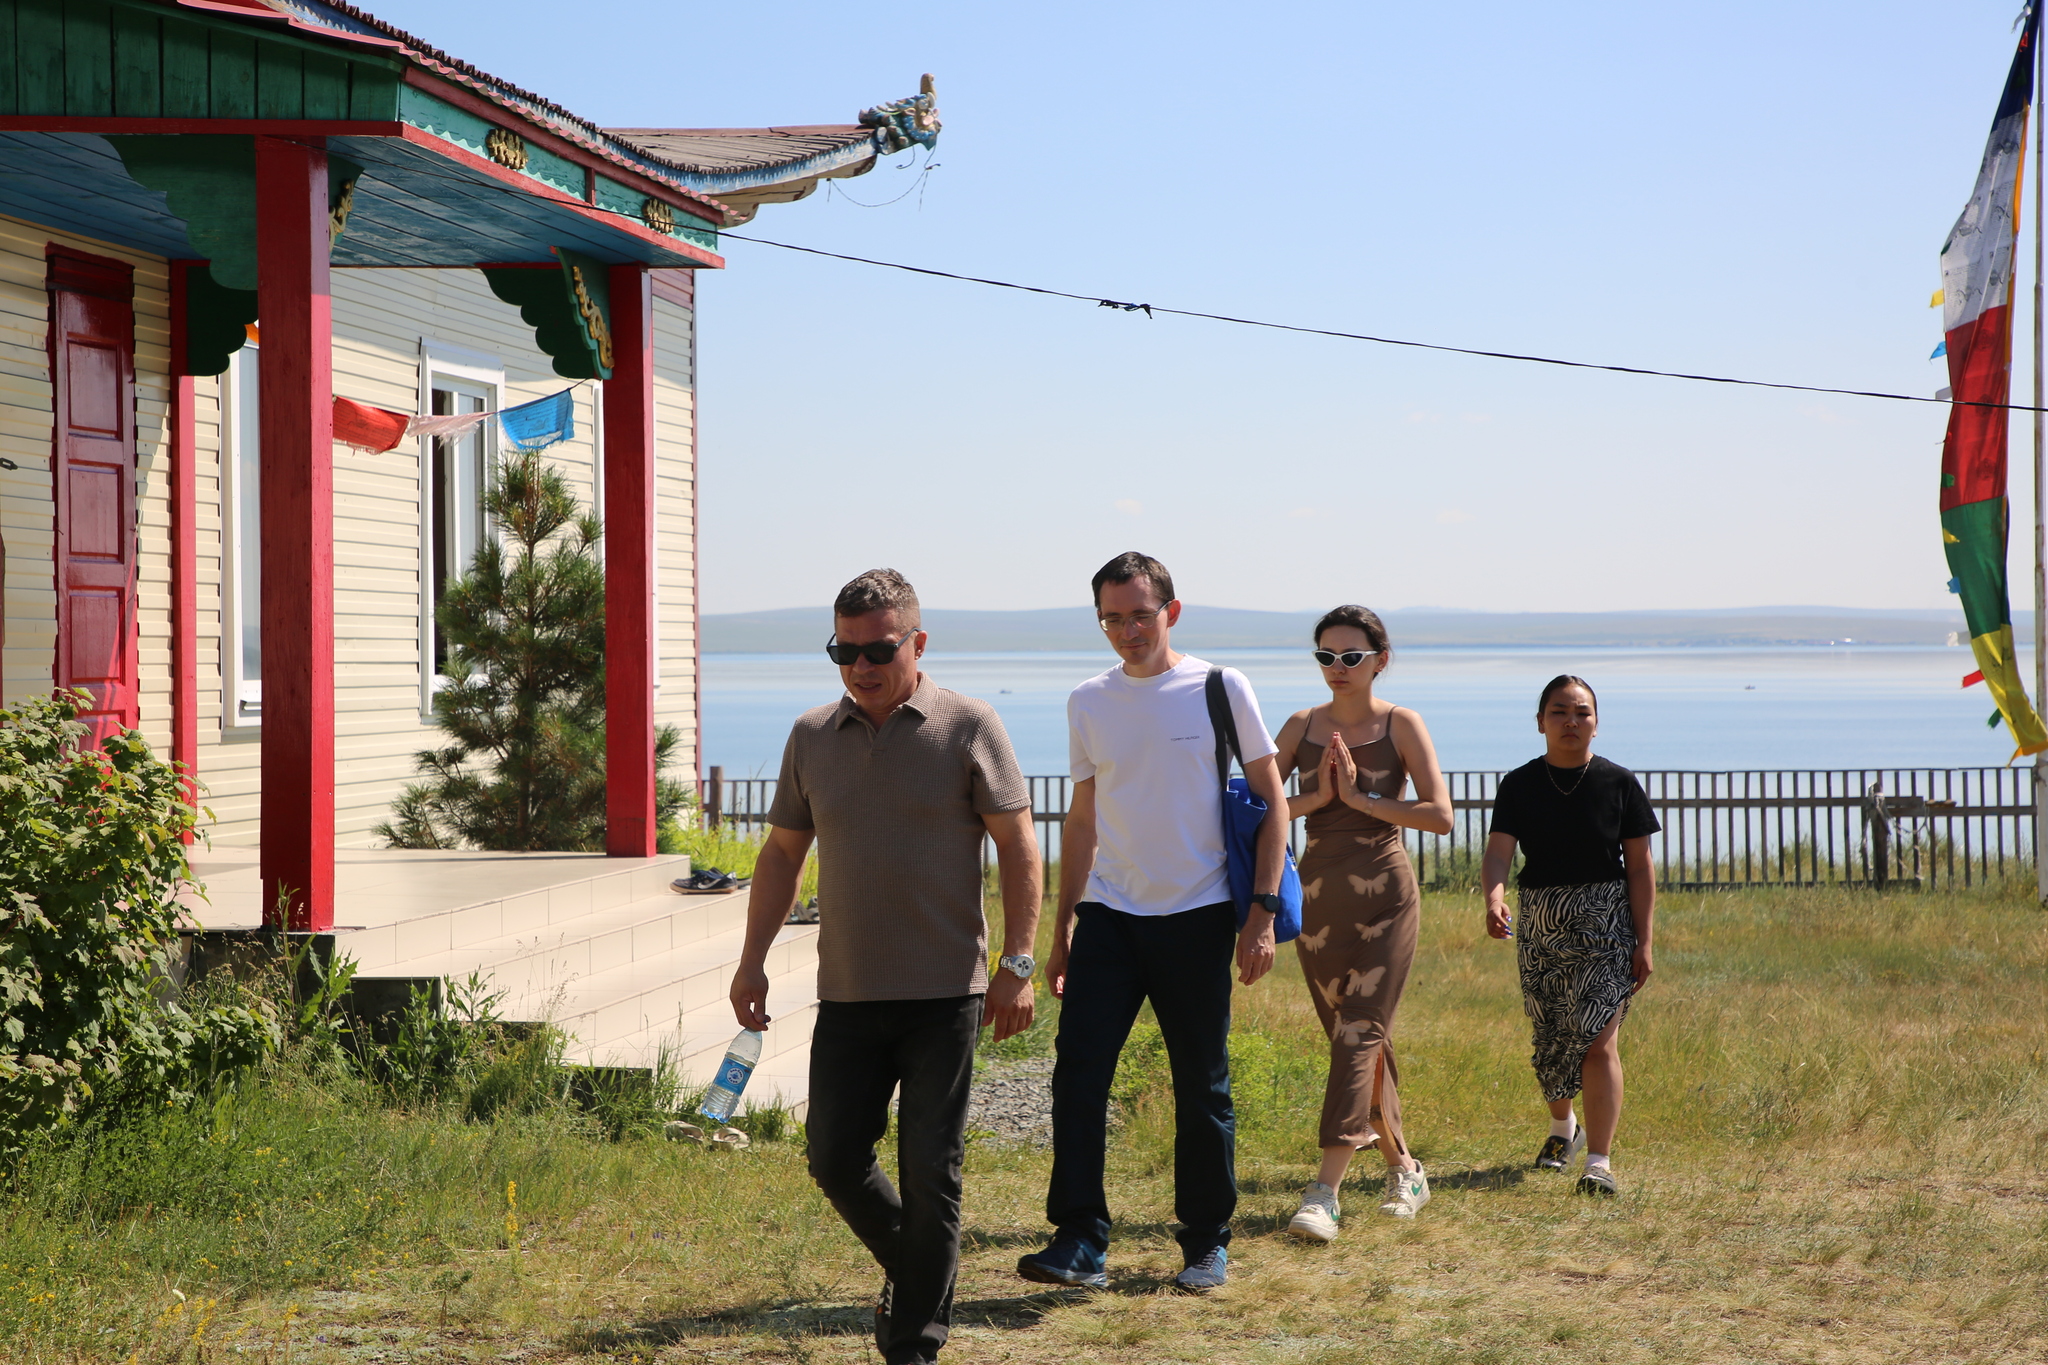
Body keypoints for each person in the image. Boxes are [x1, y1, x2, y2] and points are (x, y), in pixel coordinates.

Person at [730, 568, 1043, 1365]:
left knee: (931, 1169)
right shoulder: (810, 736)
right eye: (845, 649)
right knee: (833, 1155)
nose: (862, 664)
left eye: (879, 647)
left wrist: (1018, 962)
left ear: (917, 642)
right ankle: (921, 1272)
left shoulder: (970, 723)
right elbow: (779, 855)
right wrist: (752, 960)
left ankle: (915, 1345)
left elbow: (1017, 846)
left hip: (947, 992)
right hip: (849, 992)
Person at [1017, 551, 1289, 1295]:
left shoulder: (1217, 686)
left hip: (1198, 915)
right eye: (1112, 617)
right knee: (1077, 1075)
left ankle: (1205, 1242)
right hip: (1109, 913)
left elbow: (1274, 805)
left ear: (1171, 611)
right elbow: (1082, 818)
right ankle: (1079, 1239)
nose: (1128, 630)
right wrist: (1065, 925)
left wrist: (1260, 912)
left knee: (1201, 1085)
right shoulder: (1087, 700)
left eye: (1141, 613)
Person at [1272, 606, 1452, 1238]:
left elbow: (1440, 815)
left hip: (1386, 897)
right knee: (1358, 1040)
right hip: (1317, 903)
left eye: (1351, 657)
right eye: (1326, 657)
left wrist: (1361, 802)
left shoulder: (1402, 724)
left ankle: (1323, 1192)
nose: (1337, 669)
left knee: (1358, 1033)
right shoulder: (1299, 725)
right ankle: (1407, 1168)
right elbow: (1256, 808)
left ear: (1379, 659)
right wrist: (1319, 800)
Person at [1480, 675, 1658, 1197]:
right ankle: (1565, 1128)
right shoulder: (1519, 784)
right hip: (1540, 921)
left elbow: (1641, 869)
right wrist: (1493, 897)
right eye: (1559, 712)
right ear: (1540, 722)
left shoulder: (1619, 783)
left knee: (1599, 1041)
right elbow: (1498, 852)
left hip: (1607, 923)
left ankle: (1599, 1161)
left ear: (1596, 724)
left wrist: (1644, 941)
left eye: (1582, 713)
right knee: (1553, 1038)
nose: (1571, 722)